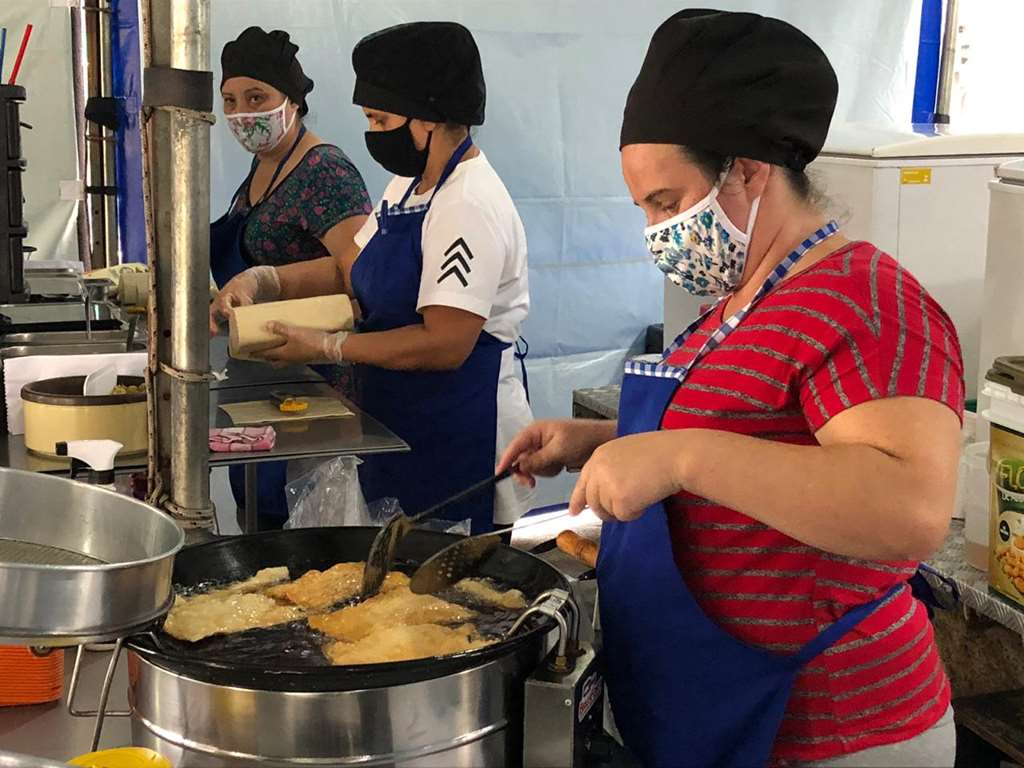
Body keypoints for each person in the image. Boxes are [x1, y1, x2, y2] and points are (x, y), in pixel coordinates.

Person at [499, 10, 962, 768]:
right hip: (710, 706)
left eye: (667, 203)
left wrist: (678, 456)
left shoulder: (868, 300)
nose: (653, 231)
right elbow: (760, 446)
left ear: (747, 170)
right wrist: (601, 442)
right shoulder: (739, 303)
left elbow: (907, 509)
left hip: (832, 728)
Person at [213, 22, 533, 533]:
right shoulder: (406, 186)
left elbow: (445, 342)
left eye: (380, 118)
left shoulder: (468, 204)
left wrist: (331, 346)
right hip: (401, 418)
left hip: (460, 430)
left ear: (428, 118)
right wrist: (265, 280)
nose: (372, 132)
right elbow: (351, 266)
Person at [210, 26, 372, 528]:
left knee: (303, 534)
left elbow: (359, 275)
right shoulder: (261, 168)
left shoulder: (325, 172)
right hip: (262, 376)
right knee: (258, 519)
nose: (242, 114)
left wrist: (266, 280)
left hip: (315, 381)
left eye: (256, 97)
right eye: (231, 101)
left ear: (293, 101)